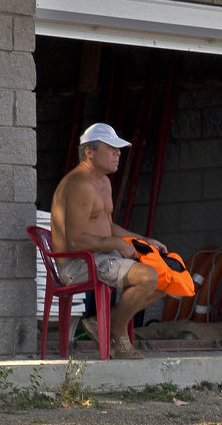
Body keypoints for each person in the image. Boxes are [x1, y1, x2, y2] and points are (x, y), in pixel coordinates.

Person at [51, 122, 167, 359]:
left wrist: (141, 240)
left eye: (119, 149)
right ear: (89, 152)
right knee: (149, 277)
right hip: (77, 264)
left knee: (167, 276)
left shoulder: (102, 182)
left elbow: (107, 226)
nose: (118, 153)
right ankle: (116, 331)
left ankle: (104, 323)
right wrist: (117, 244)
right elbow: (75, 241)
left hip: (101, 256)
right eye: (111, 148)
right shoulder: (79, 184)